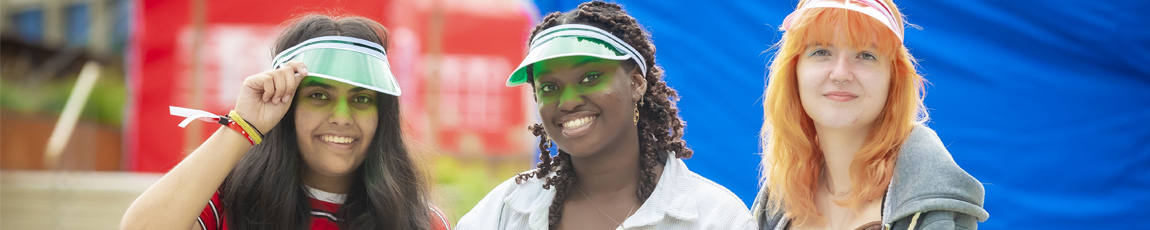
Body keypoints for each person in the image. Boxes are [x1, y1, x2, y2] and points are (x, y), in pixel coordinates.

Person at [121, 14, 450, 230]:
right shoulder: (230, 202)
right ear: (286, 105)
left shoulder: (419, 221)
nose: (341, 117)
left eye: (361, 99)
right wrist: (243, 126)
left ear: (383, 117)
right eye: (319, 96)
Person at [456, 1, 754, 229]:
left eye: (590, 77)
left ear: (637, 83)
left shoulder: (715, 217)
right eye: (549, 87)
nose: (568, 101)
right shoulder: (504, 211)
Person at [752, 0, 988, 229]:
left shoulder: (931, 210)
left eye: (866, 55)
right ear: (794, 72)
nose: (841, 74)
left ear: (893, 79)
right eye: (821, 51)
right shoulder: (774, 204)